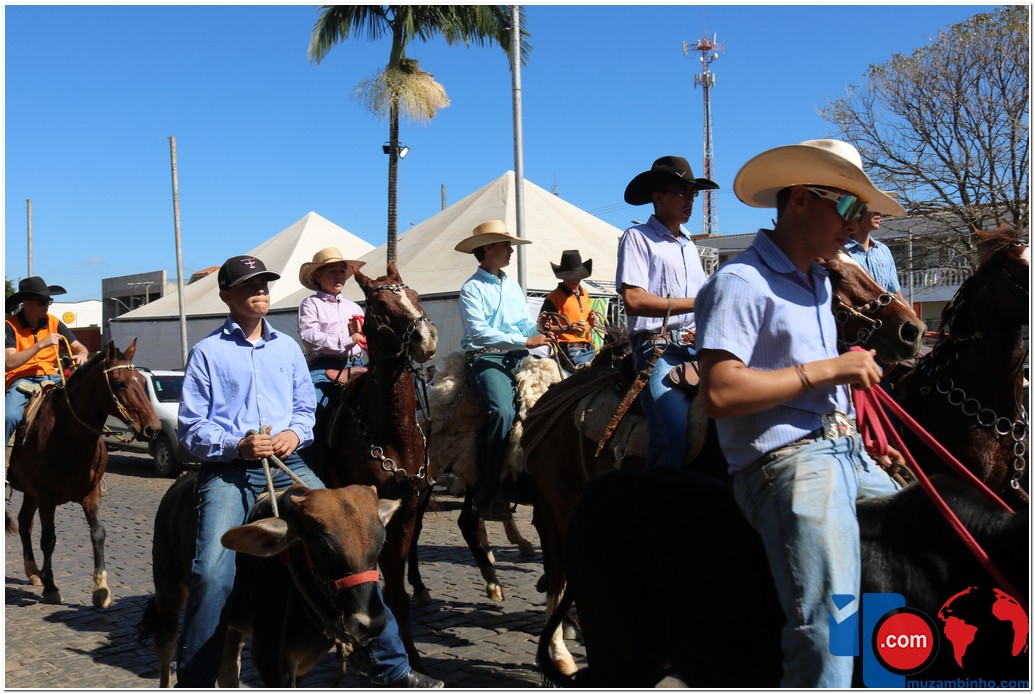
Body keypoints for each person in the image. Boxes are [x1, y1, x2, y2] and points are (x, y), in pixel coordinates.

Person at [694, 139, 906, 687]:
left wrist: (854, 425)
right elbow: (719, 393)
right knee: (830, 625)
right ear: (801, 200)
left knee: (920, 547)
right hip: (789, 461)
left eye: (861, 210)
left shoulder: (817, 280)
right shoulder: (740, 281)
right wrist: (832, 370)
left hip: (845, 450)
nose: (856, 224)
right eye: (847, 206)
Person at [176, 254, 441, 688]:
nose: (260, 291)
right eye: (248, 286)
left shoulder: (286, 349)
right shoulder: (207, 352)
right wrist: (237, 444)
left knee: (353, 538)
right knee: (210, 571)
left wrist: (294, 434)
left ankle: (390, 663)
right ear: (226, 296)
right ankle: (196, 682)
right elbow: (190, 428)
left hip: (289, 465)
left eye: (263, 284)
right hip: (229, 471)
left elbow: (303, 410)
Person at [617, 155, 718, 469]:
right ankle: (661, 496)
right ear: (658, 198)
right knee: (672, 433)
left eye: (693, 194)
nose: (690, 200)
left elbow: (705, 300)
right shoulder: (637, 238)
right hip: (657, 349)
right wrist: (699, 304)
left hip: (697, 347)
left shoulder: (689, 245)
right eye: (681, 192)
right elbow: (634, 300)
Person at [455, 220, 555, 520]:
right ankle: (487, 491)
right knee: (502, 411)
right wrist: (525, 340)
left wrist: (539, 328)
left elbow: (523, 324)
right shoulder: (471, 289)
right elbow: (479, 333)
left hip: (518, 356)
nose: (511, 251)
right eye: (505, 245)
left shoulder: (511, 285)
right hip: (487, 358)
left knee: (559, 402)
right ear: (488, 248)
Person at [296, 247, 367, 475]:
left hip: (358, 365)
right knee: (312, 410)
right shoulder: (310, 304)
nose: (338, 277)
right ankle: (306, 467)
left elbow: (364, 338)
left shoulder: (354, 306)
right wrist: (348, 340)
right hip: (324, 366)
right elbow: (310, 337)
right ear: (318, 276)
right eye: (332, 272)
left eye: (341, 271)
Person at [5, 276, 89, 446]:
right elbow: (9, 363)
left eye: (48, 301)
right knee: (9, 416)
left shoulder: (54, 322)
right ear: (26, 303)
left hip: (54, 377)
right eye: (42, 301)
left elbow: (80, 348)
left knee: (87, 405)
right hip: (21, 379)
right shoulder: (8, 325)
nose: (47, 305)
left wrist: (82, 355)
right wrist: (40, 344)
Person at [844, 209, 915, 311]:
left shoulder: (882, 250)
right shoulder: (840, 252)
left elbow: (897, 295)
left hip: (885, 318)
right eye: (873, 208)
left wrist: (911, 314)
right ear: (857, 210)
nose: (879, 213)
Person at [539, 250, 597, 372]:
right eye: (570, 276)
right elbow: (543, 327)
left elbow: (586, 319)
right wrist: (568, 329)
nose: (574, 279)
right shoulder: (553, 297)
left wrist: (591, 320)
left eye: (577, 276)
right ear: (563, 276)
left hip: (588, 347)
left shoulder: (585, 293)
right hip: (567, 349)